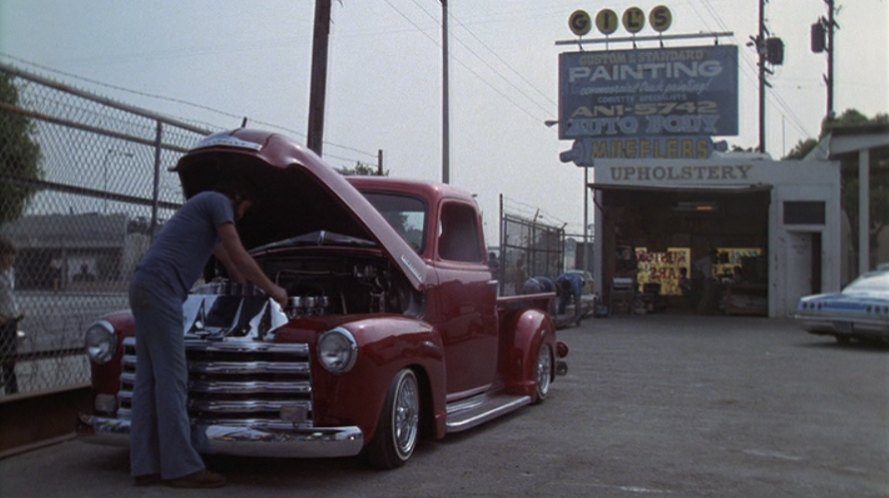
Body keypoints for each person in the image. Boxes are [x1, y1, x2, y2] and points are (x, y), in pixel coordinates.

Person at [127, 181, 287, 488]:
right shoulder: (218, 203)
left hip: (143, 284)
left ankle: (145, 465)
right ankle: (181, 468)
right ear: (239, 197)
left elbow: (226, 256)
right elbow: (238, 252)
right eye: (245, 210)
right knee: (173, 378)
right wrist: (273, 289)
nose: (241, 217)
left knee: (147, 381)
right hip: (163, 290)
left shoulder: (200, 207)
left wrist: (240, 281)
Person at [0, 239, 23, 395]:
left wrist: (18, 311)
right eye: (8, 255)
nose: (12, 259)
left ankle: (12, 391)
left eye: (13, 255)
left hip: (11, 318)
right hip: (1, 318)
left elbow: (10, 295)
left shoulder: (11, 272)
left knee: (10, 357)